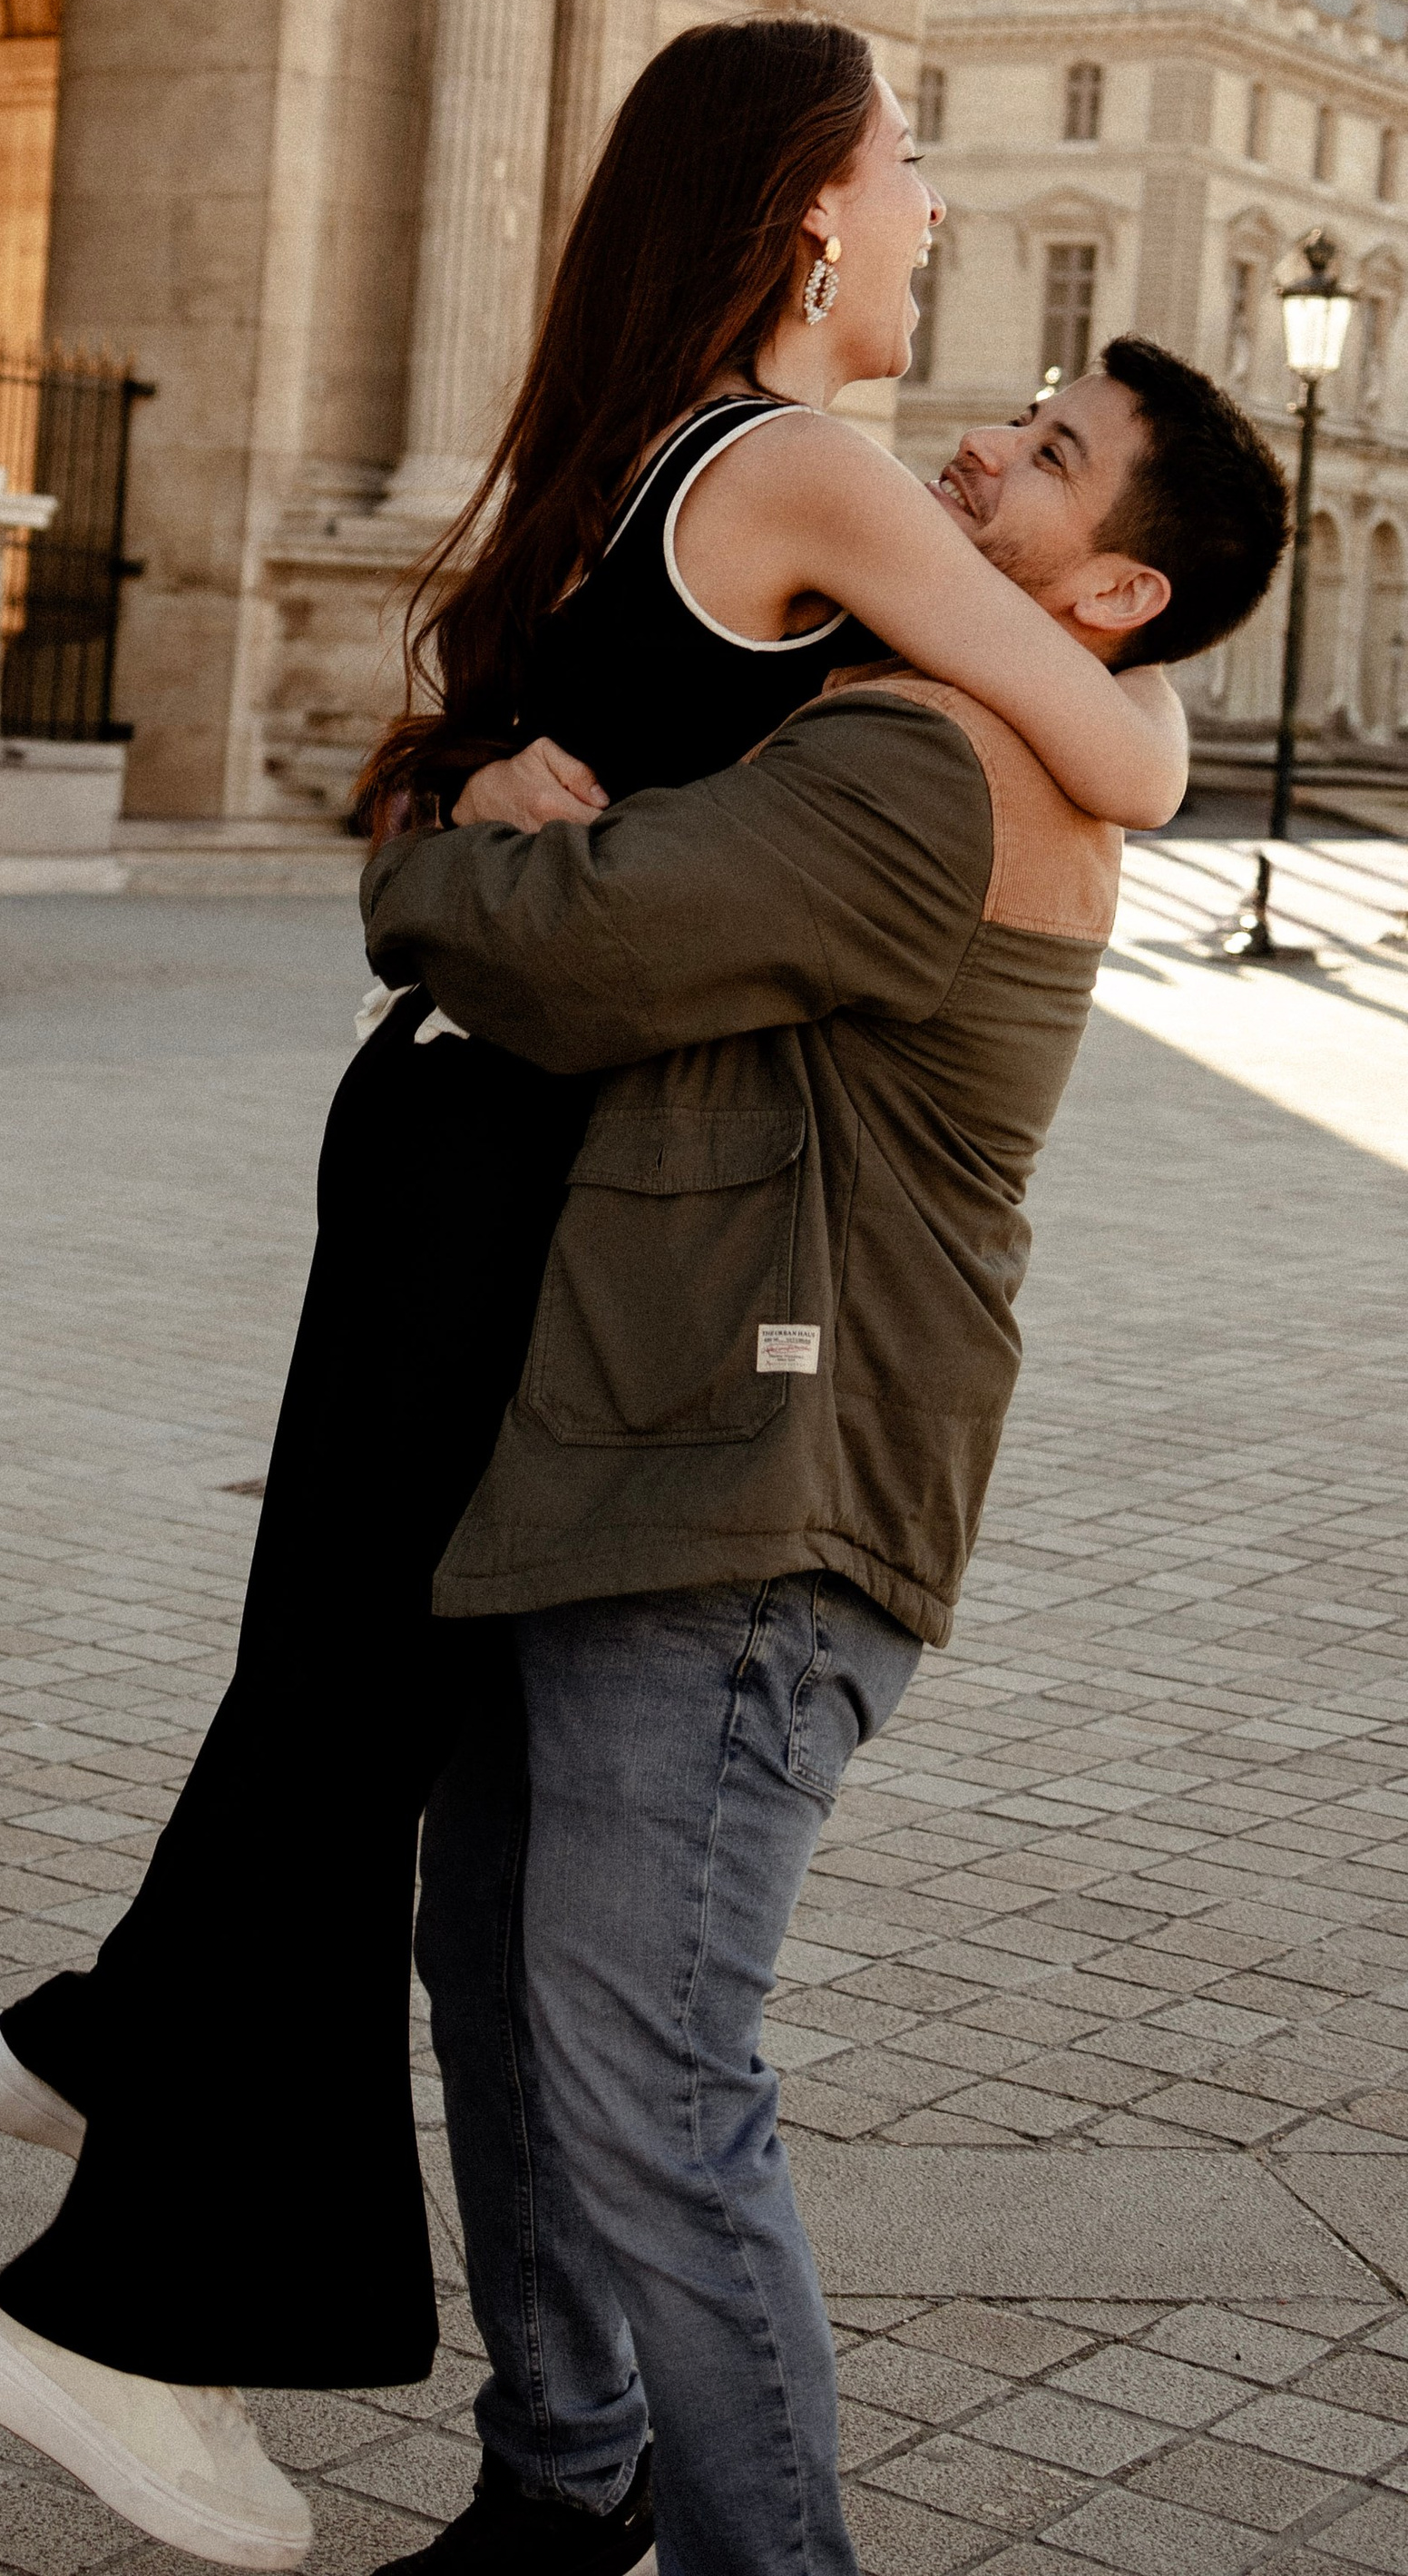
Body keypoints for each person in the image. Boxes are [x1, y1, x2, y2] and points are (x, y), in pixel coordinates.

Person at [0, 16, 1194, 2570]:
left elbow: (509, 785)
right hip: (503, 1166)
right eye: (912, 163)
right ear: (812, 215)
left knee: (351, 1717)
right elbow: (1131, 747)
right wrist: (1123, 714)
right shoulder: (807, 473)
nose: (937, 212)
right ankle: (124, 2257)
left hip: (461, 1150)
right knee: (368, 1748)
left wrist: (457, 794)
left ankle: (121, 2060)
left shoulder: (646, 463)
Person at [363, 338, 1289, 2576]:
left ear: (1106, 608)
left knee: (652, 2092)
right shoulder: (942, 719)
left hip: (753, 1520)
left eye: (1050, 460)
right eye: (1024, 409)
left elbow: (560, 950)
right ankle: (560, 2481)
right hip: (644, 1463)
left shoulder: (925, 765)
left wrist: (439, 836)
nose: (980, 445)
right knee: (502, 1999)